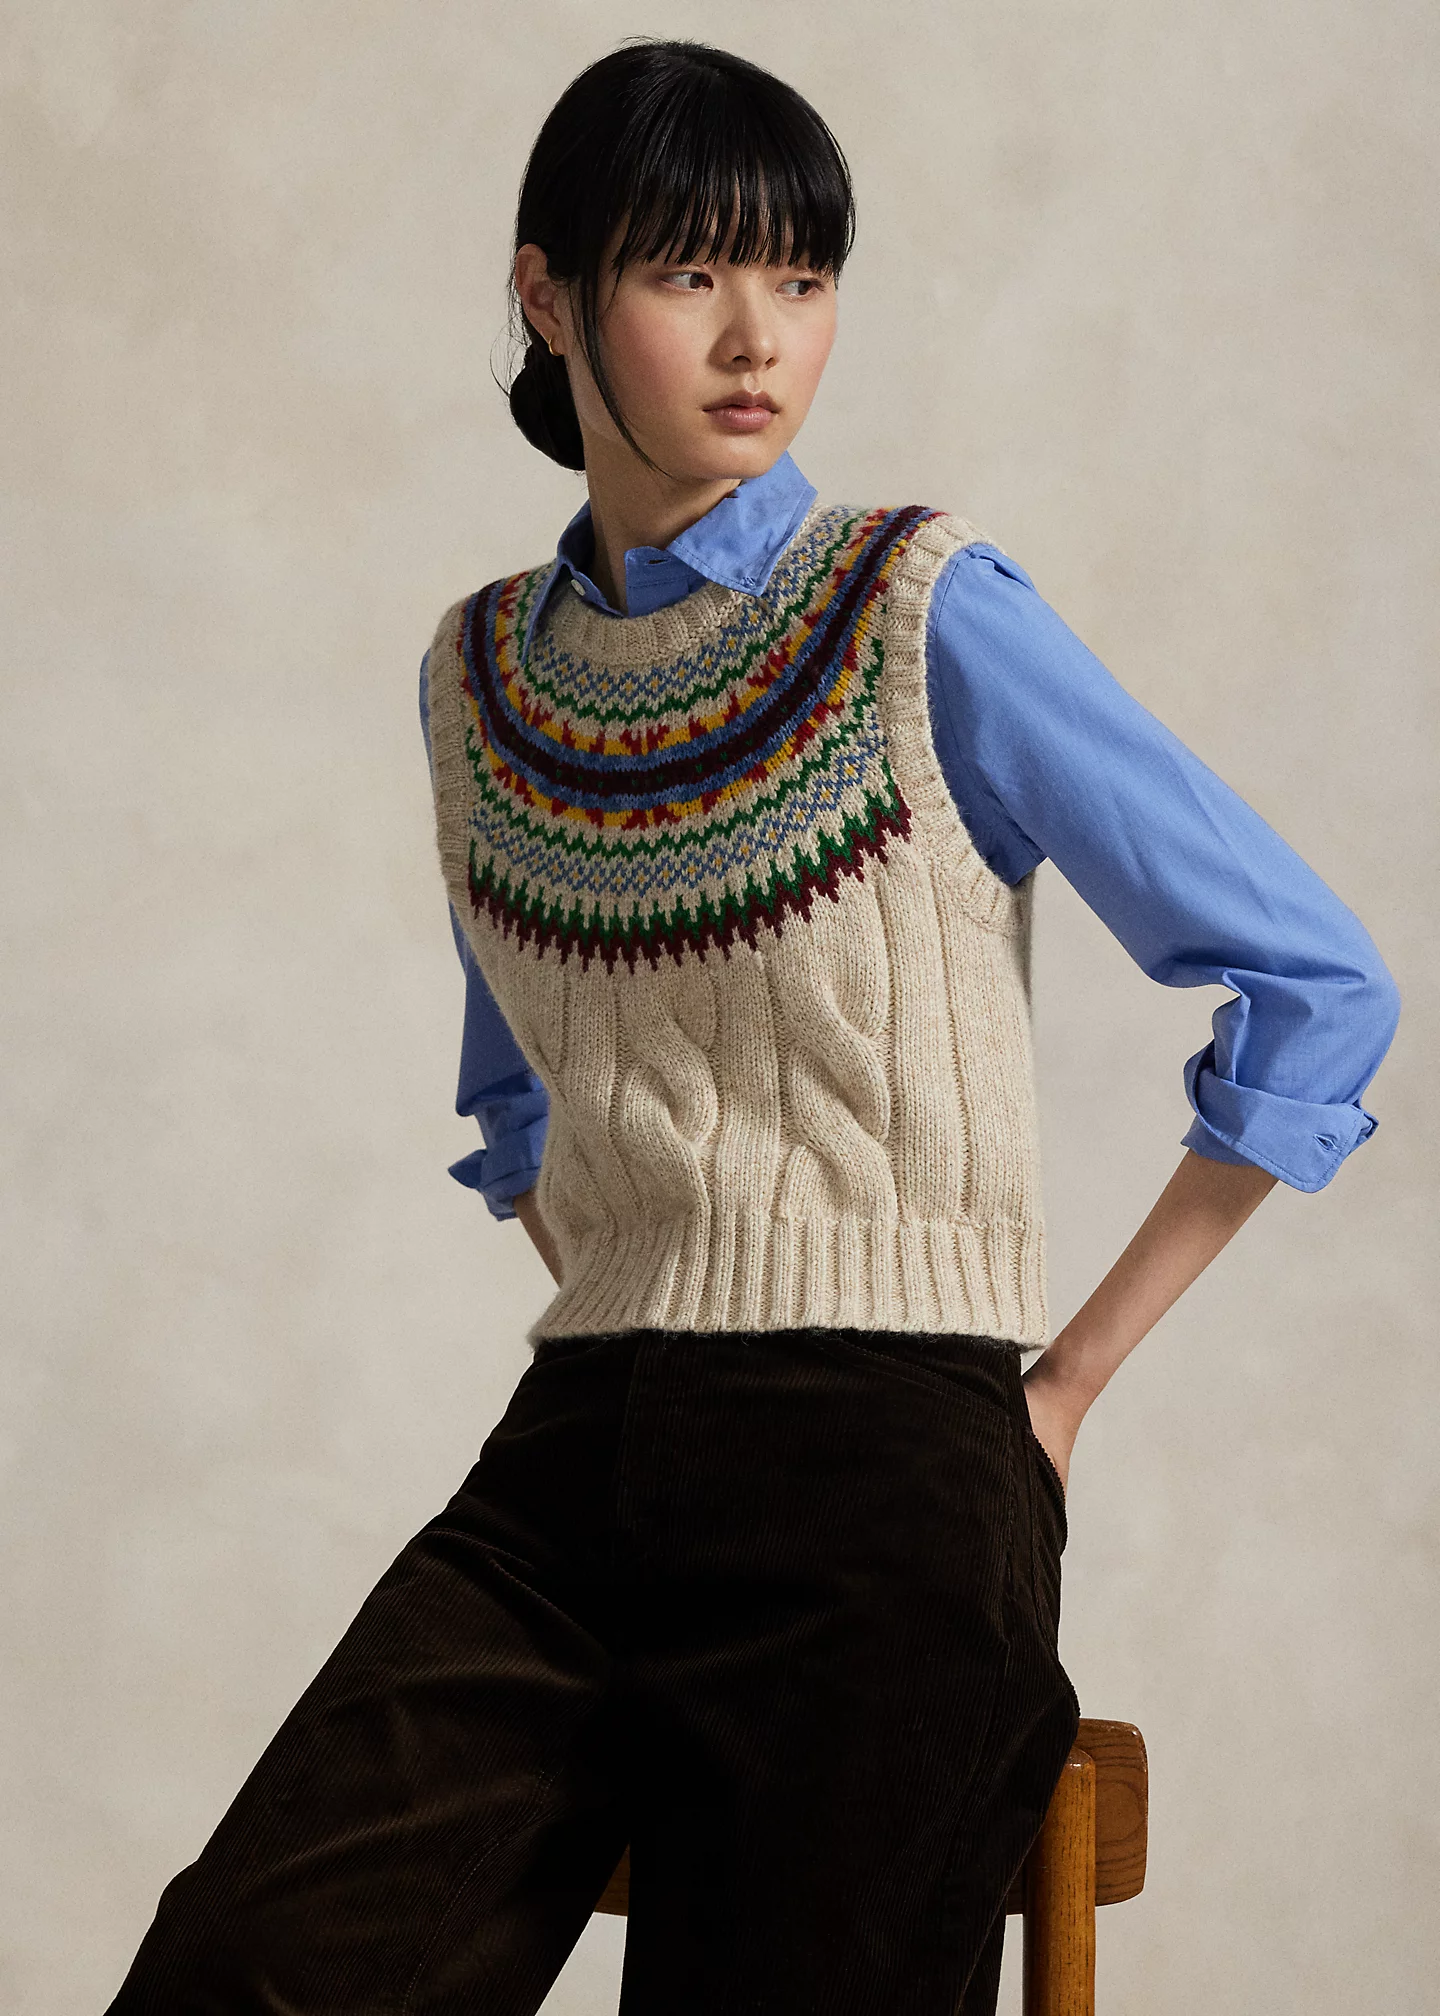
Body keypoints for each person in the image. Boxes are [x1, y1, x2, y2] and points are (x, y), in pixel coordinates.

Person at [104, 37, 1400, 2016]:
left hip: (891, 1468)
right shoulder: (479, 682)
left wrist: (1056, 1394)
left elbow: (1316, 982)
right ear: (549, 295)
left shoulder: (917, 610)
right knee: (246, 1973)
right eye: (688, 271)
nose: (755, 338)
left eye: (800, 278)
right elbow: (518, 1109)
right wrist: (650, 1271)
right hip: (575, 1462)